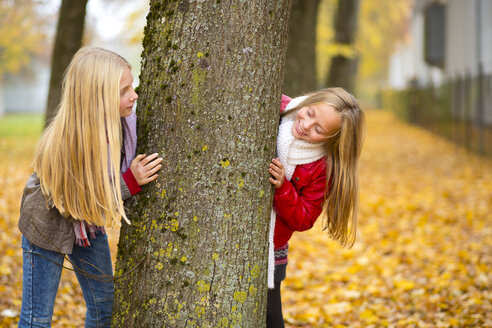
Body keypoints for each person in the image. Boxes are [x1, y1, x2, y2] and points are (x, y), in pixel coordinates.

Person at [17, 47, 163, 328]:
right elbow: (81, 201)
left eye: (131, 85)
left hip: (87, 227)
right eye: (124, 91)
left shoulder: (122, 123)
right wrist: (130, 182)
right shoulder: (66, 145)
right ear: (99, 100)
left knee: (104, 307)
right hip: (46, 223)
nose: (133, 95)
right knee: (37, 318)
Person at [266, 88, 366, 327]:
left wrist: (283, 188)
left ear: (331, 140)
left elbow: (305, 218)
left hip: (272, 248)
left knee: (270, 317)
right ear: (309, 101)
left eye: (318, 129)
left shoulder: (320, 167)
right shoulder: (277, 107)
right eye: (309, 113)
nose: (306, 125)